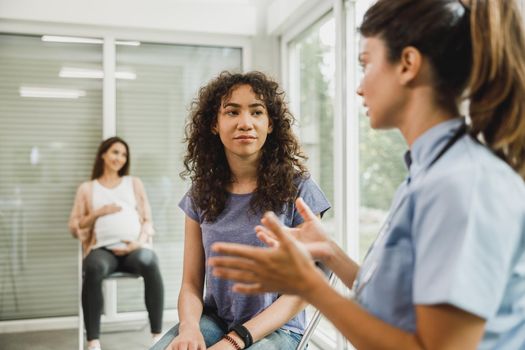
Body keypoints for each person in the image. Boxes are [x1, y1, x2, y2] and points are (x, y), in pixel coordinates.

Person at [208, 1, 525, 349]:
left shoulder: (462, 184)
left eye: (366, 64)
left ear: (407, 64)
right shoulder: (429, 173)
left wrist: (308, 286)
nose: (360, 87)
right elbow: (397, 305)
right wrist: (328, 251)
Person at [152, 71, 331, 350]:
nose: (245, 123)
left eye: (257, 112)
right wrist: (189, 329)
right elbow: (190, 284)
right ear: (214, 123)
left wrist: (235, 341)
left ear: (270, 123)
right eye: (232, 112)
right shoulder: (200, 194)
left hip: (279, 329)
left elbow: (304, 289)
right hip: (216, 320)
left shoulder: (299, 189)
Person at [69, 136, 164, 350]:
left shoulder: (134, 183)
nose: (119, 158)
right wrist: (98, 213)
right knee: (92, 267)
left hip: (134, 249)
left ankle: (157, 335)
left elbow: (148, 220)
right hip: (103, 250)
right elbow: (75, 226)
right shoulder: (88, 188)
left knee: (150, 262)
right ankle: (93, 341)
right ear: (103, 154)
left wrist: (138, 243)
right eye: (114, 152)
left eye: (123, 154)